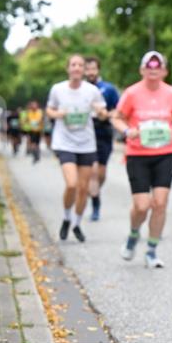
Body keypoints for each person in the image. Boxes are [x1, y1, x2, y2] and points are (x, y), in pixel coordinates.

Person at [111, 51, 172, 268]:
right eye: (148, 66)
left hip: (165, 153)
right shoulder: (132, 93)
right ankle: (134, 234)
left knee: (160, 203)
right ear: (142, 70)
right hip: (138, 154)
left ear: (164, 71)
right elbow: (117, 118)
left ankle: (152, 250)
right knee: (142, 206)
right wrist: (127, 131)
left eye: (158, 66)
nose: (153, 70)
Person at [45, 54, 108, 243]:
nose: (77, 68)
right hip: (64, 142)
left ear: (83, 69)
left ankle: (77, 223)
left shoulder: (92, 91)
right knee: (71, 184)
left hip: (86, 144)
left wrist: (100, 112)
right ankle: (66, 217)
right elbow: (49, 109)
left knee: (83, 189)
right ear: (68, 68)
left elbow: (104, 114)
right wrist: (58, 114)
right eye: (73, 65)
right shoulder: (58, 89)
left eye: (80, 65)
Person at [84, 56, 121, 221]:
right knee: (92, 173)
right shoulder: (79, 88)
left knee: (101, 174)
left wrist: (106, 115)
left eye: (93, 68)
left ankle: (94, 193)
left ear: (98, 70)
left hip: (103, 133)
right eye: (88, 69)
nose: (90, 72)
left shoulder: (108, 89)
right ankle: (95, 204)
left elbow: (119, 111)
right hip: (85, 135)